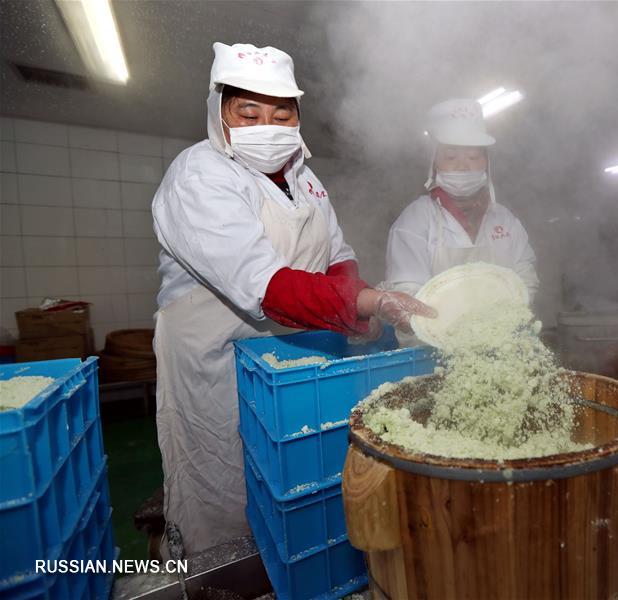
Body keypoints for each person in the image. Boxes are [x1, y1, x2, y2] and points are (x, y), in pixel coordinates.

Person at [151, 42, 433, 555]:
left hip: (291, 347)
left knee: (295, 469)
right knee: (224, 475)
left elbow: (337, 254)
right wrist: (363, 302)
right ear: (219, 114)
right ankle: (214, 564)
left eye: (282, 114)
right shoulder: (200, 175)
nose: (268, 126)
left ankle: (293, 559)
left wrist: (354, 308)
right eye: (249, 112)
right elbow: (264, 285)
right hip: (214, 356)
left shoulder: (304, 178)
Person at [383, 98, 538, 342]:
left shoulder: (504, 220)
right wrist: (453, 330)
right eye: (451, 156)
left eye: (474, 157)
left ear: (487, 162)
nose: (463, 166)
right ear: (434, 163)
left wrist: (506, 319)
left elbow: (524, 275)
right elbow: (407, 292)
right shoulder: (415, 221)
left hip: (502, 342)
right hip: (431, 349)